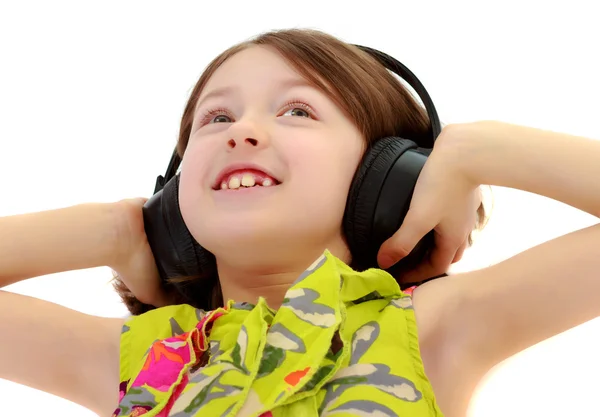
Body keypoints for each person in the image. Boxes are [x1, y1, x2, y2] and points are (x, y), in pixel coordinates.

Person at [0, 28, 599, 417]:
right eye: (214, 118)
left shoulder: (435, 329)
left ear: (387, 179)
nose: (241, 130)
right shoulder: (140, 362)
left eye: (297, 109)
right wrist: (112, 230)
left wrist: (477, 151)